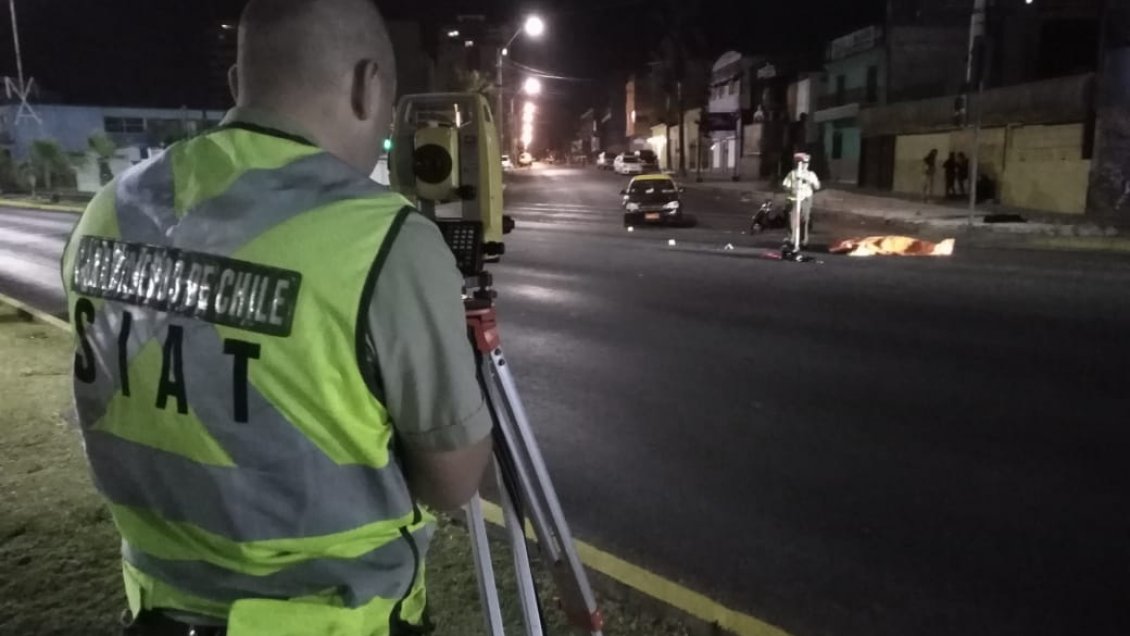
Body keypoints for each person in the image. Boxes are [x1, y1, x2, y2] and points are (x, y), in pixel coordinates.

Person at [60, 0, 494, 634]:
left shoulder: (109, 209)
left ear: (239, 83)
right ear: (367, 84)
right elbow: (452, 484)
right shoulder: (380, 239)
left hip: (156, 610)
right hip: (337, 621)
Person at [781, 152, 822, 248]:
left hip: (805, 199)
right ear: (798, 163)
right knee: (792, 220)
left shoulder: (811, 174)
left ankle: (803, 241)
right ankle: (792, 240)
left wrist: (808, 180)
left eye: (806, 163)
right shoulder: (792, 174)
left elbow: (817, 186)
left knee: (804, 220)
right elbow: (785, 185)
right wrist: (793, 187)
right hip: (794, 200)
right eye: (803, 163)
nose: (805, 165)